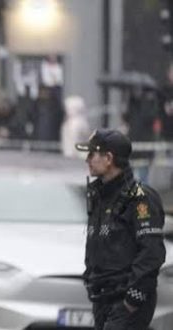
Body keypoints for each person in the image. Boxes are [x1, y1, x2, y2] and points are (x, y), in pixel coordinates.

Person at [75, 129, 166, 330]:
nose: (87, 160)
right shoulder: (100, 195)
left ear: (109, 158)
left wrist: (131, 301)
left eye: (92, 154)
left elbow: (152, 253)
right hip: (102, 299)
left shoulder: (140, 197)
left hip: (125, 301)